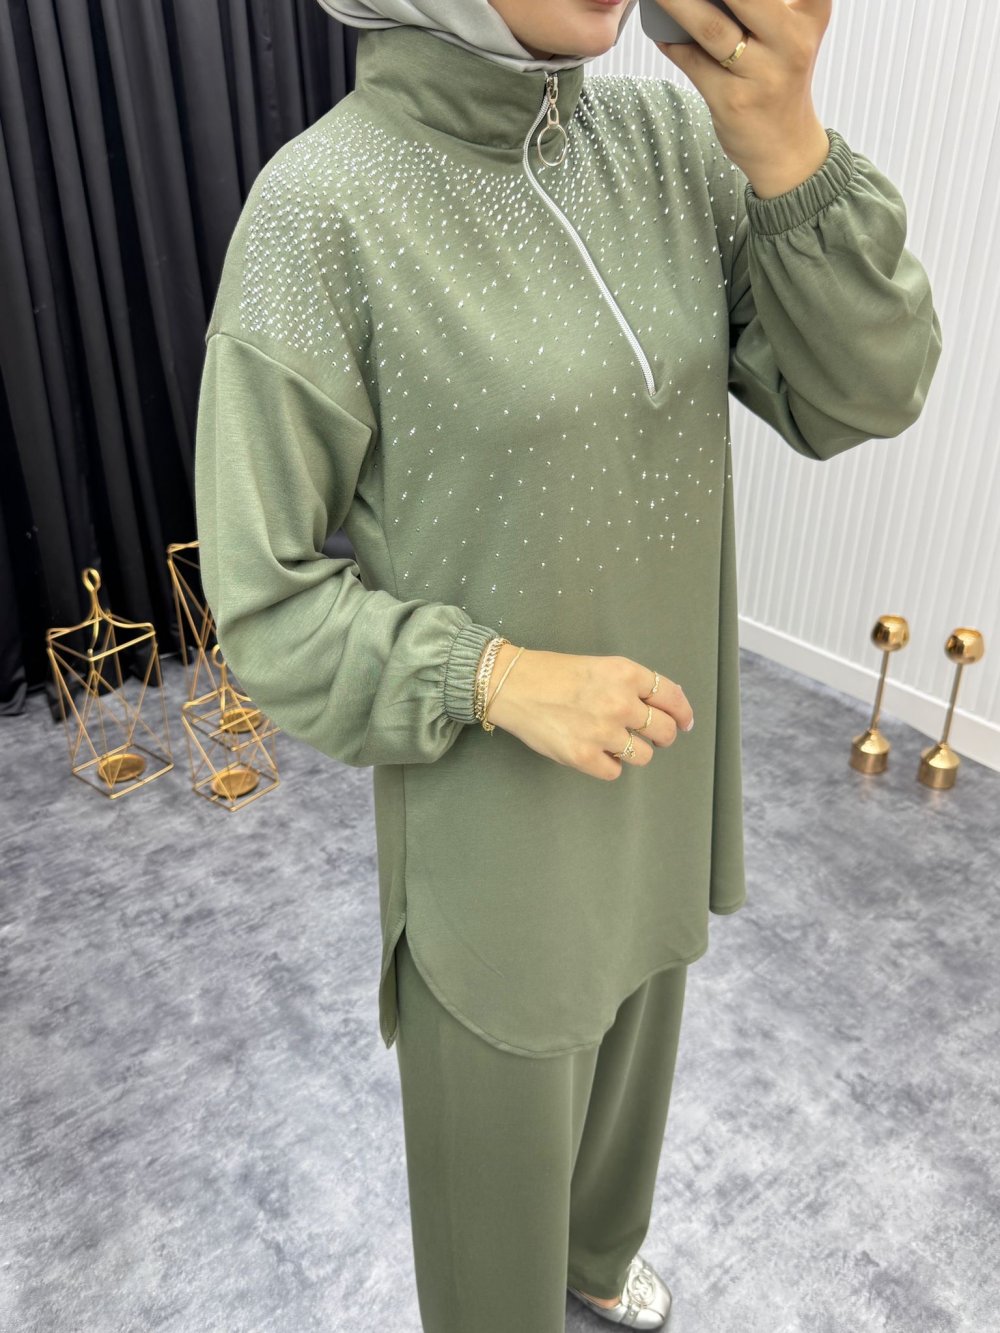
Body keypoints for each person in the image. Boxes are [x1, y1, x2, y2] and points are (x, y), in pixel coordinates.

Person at [193, 0, 943, 1327]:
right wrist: (486, 675)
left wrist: (783, 140)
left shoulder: (667, 138)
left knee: (634, 1062)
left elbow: (862, 391)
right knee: (495, 1216)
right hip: (497, 837)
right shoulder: (321, 206)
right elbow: (262, 602)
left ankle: (598, 1254)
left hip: (660, 769)